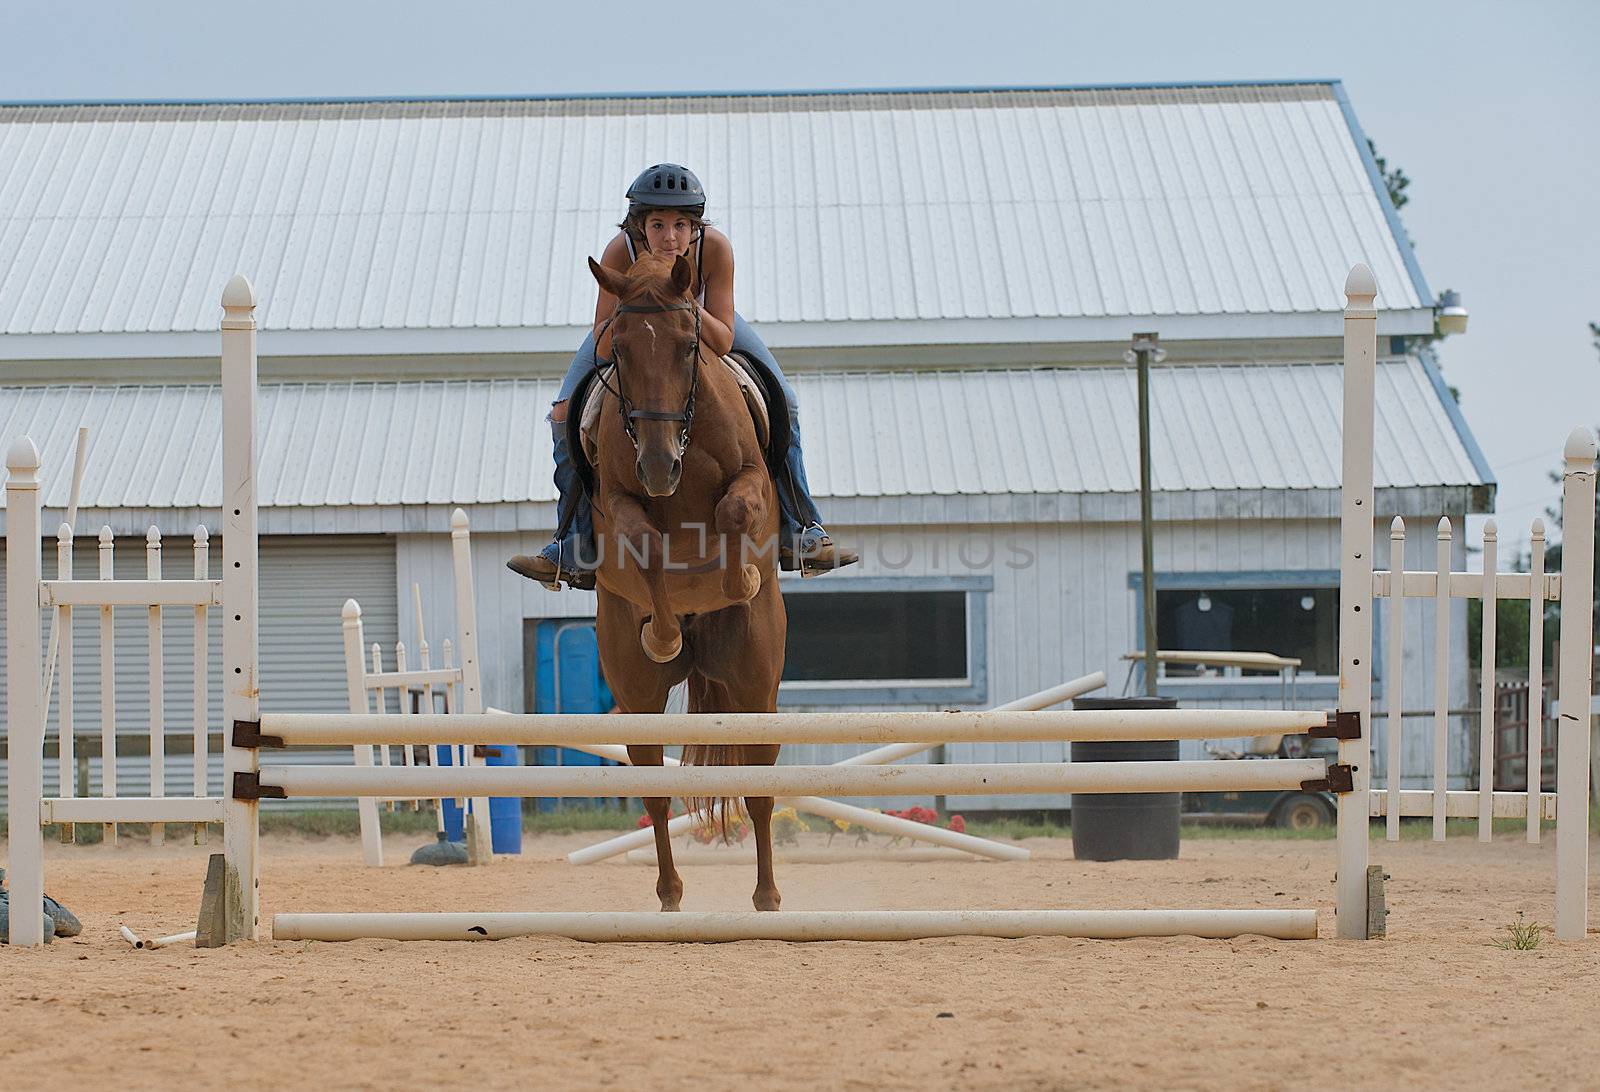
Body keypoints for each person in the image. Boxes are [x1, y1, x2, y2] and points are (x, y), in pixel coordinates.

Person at [509, 163, 857, 589]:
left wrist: (684, 311)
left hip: (703, 319)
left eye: (681, 224)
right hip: (636, 323)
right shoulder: (619, 253)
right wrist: (639, 319)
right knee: (564, 415)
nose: (669, 236)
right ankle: (572, 543)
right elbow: (602, 342)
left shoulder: (715, 249)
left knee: (786, 399)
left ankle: (803, 528)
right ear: (640, 226)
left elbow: (725, 338)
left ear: (696, 226)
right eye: (657, 225)